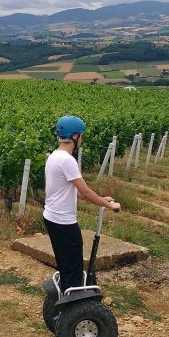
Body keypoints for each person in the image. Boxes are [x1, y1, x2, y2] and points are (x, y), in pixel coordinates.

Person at [44, 115, 121, 293]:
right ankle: (73, 304)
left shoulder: (54, 156)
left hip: (51, 217)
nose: (82, 139)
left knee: (65, 264)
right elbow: (85, 192)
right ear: (75, 136)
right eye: (81, 135)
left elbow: (72, 191)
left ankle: (64, 296)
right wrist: (110, 205)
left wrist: (101, 199)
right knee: (73, 268)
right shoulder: (67, 160)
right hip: (64, 222)